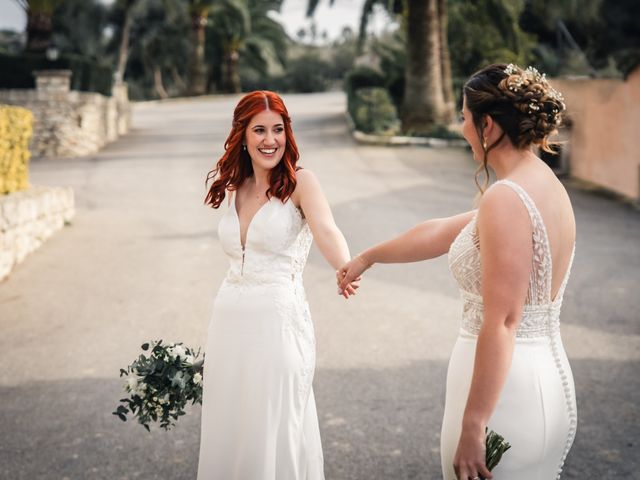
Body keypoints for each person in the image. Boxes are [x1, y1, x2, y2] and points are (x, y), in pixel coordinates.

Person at [337, 63, 577, 479]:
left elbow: (502, 320)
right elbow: (442, 232)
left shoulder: (506, 197)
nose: (460, 127)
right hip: (546, 378)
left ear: (488, 125)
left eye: (464, 118)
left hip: (504, 394)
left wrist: (474, 424)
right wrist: (369, 256)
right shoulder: (542, 183)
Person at [198, 91, 358, 480]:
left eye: (278, 129)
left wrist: (345, 265)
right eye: (259, 130)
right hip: (228, 326)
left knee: (276, 422)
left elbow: (326, 228)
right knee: (231, 427)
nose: (270, 139)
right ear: (242, 134)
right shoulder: (234, 185)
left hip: (278, 325)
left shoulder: (301, 181)